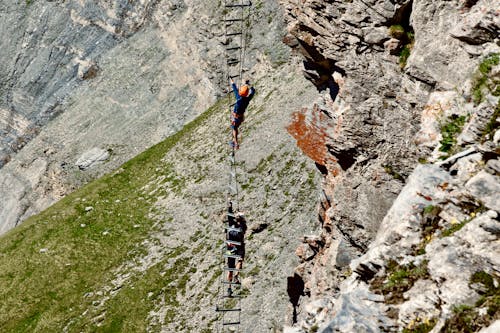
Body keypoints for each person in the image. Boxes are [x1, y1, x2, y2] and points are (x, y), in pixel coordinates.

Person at [225, 200, 247, 296]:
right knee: (240, 260)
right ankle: (236, 276)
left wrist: (230, 205)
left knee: (230, 269)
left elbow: (229, 215)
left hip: (230, 248)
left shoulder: (231, 223)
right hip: (238, 247)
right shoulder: (243, 226)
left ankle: (229, 288)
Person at [230, 78, 255, 149]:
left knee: (234, 128)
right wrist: (249, 85)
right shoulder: (247, 99)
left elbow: (234, 88)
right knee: (236, 128)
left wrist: (231, 80)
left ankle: (235, 143)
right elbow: (253, 92)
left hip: (236, 117)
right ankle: (235, 142)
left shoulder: (238, 98)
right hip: (241, 118)